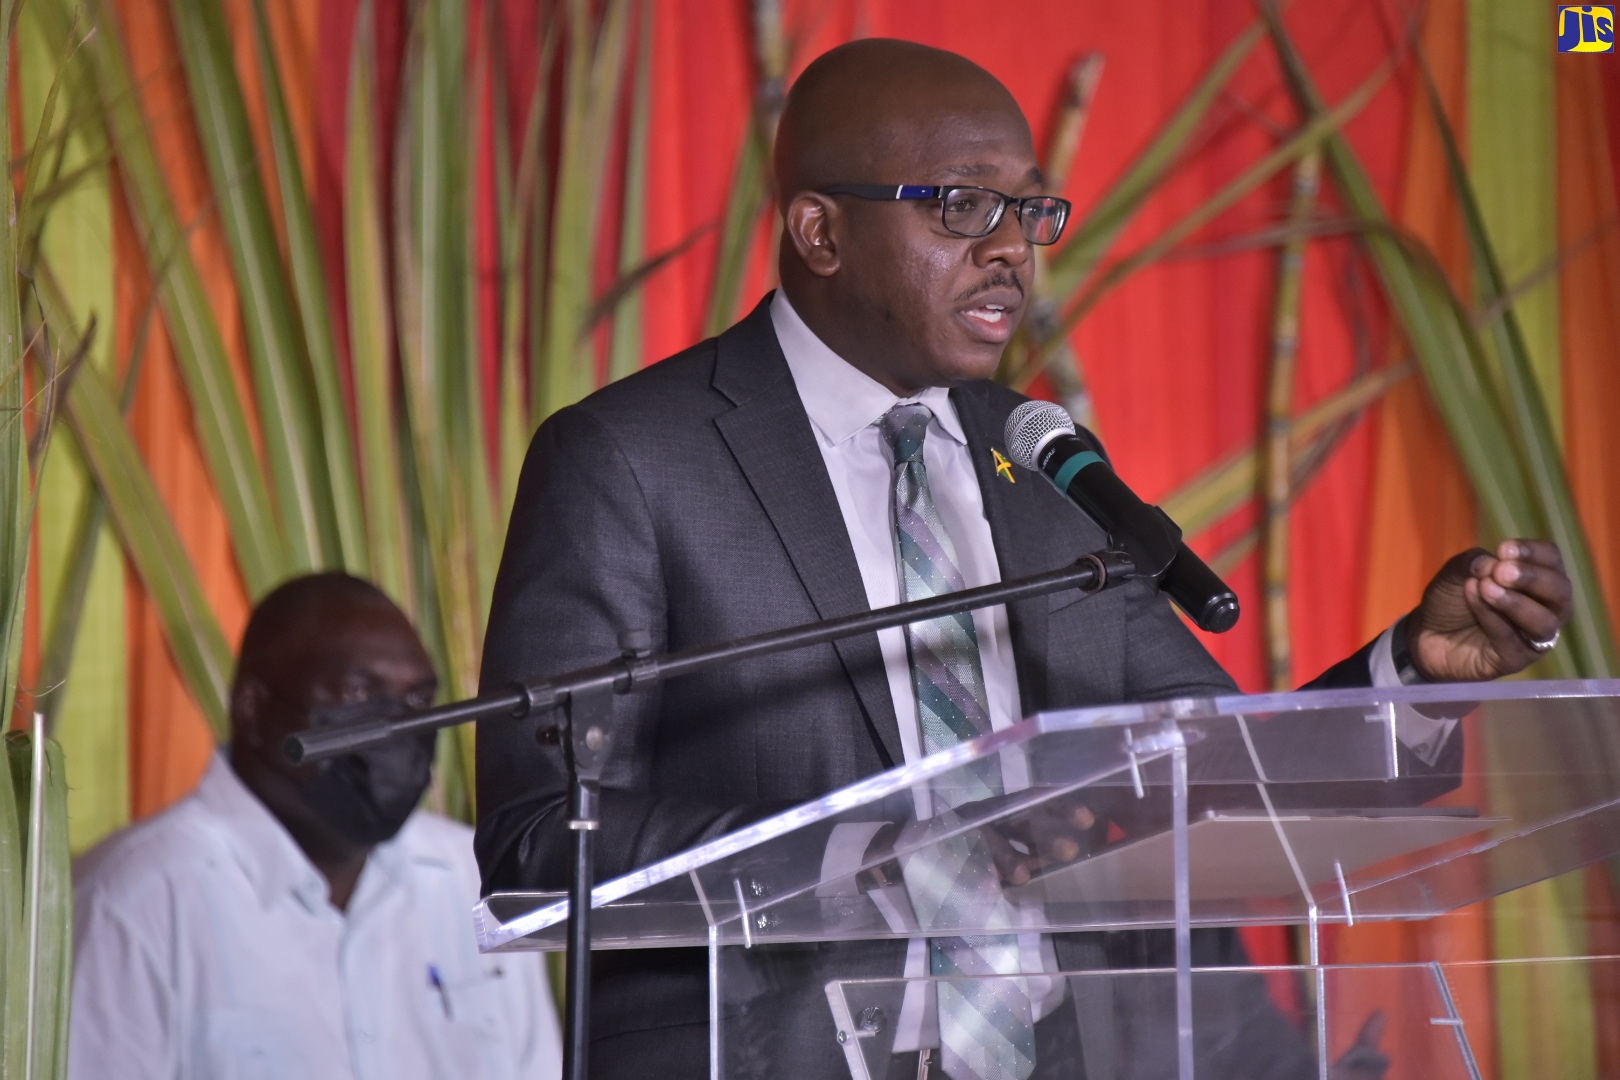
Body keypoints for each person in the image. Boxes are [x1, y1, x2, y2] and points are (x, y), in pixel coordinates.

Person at [476, 39, 1572, 1080]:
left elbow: (1214, 774)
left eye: (1030, 211)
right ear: (820, 232)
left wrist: (1412, 674)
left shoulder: (1042, 465)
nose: (1012, 248)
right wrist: (872, 856)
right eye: (963, 208)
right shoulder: (633, 458)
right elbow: (538, 845)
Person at [70, 573, 562, 1080]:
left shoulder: (475, 880)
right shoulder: (135, 901)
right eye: (357, 691)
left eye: (418, 701)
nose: (398, 727)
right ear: (254, 705)